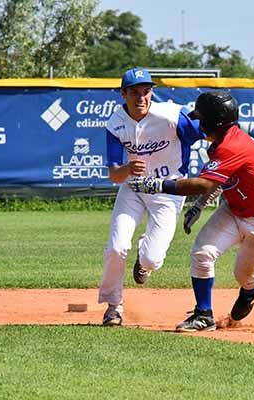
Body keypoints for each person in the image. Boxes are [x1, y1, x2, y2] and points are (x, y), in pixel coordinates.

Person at [129, 90, 254, 332]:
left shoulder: (231, 146)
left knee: (244, 276)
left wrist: (156, 185)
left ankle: (250, 292)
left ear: (212, 122)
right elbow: (218, 183)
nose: (197, 122)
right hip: (235, 209)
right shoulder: (221, 143)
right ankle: (203, 315)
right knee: (202, 254)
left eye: (200, 118)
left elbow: (203, 184)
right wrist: (199, 205)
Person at [99, 67, 204, 326]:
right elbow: (114, 174)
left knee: (152, 259)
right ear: (123, 94)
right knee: (116, 247)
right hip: (134, 188)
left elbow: (208, 133)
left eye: (146, 91)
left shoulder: (170, 115)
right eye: (134, 92)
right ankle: (113, 306)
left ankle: (144, 262)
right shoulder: (115, 123)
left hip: (169, 190)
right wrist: (126, 169)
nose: (141, 97)